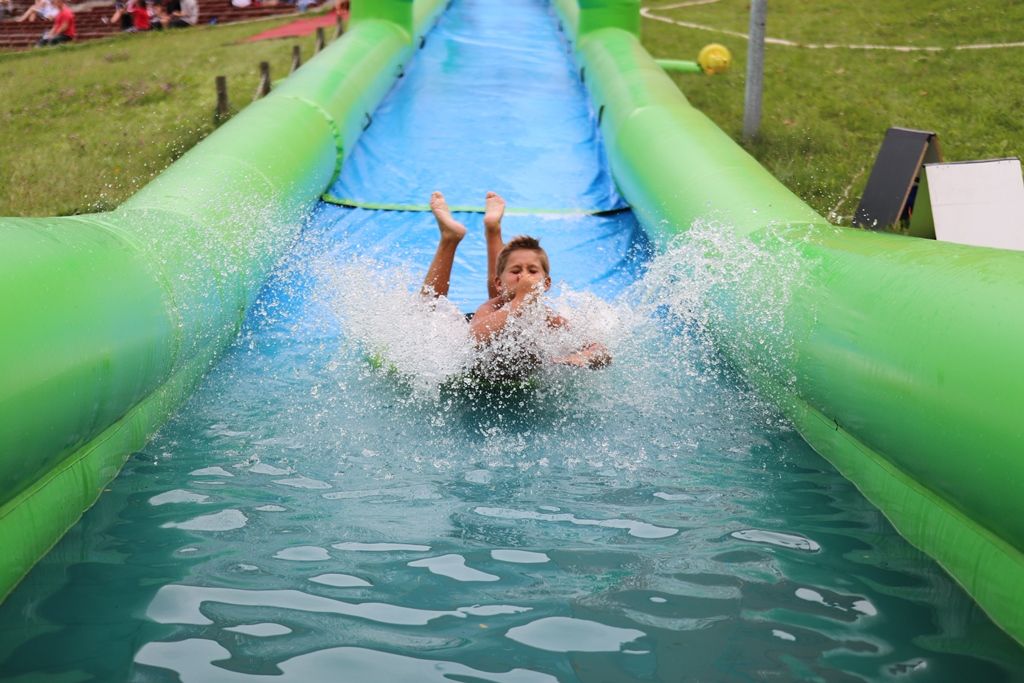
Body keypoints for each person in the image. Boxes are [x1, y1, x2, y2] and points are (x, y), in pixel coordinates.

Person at [422, 191, 611, 372]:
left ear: (546, 284)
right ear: (496, 282)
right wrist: (520, 300)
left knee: (506, 290)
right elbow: (475, 338)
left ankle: (493, 228)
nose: (523, 276)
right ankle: (449, 238)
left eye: (533, 270)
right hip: (469, 341)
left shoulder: (547, 318)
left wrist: (583, 356)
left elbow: (599, 349)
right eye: (516, 271)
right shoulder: (489, 309)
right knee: (425, 312)